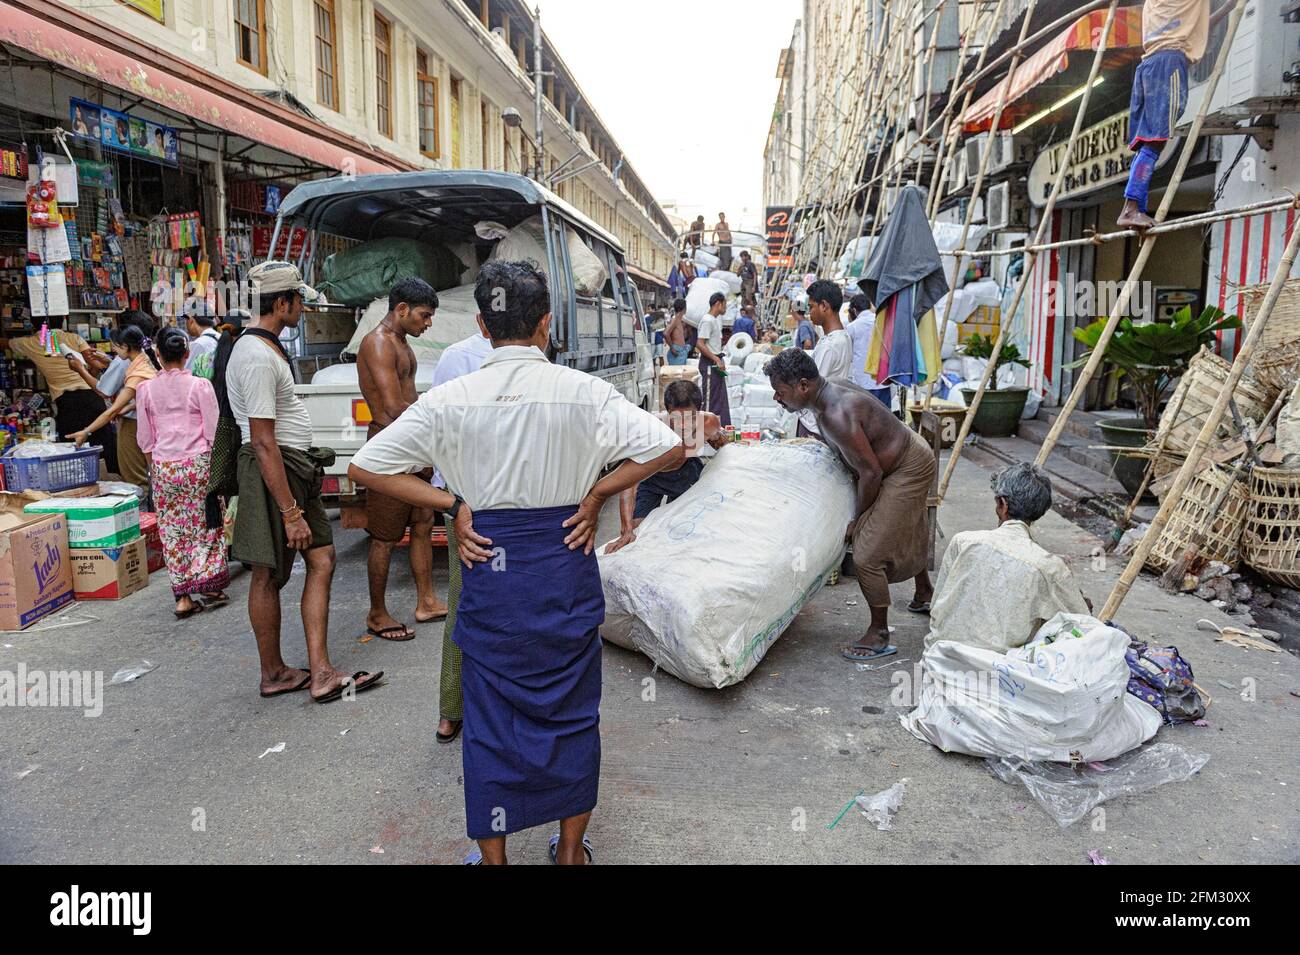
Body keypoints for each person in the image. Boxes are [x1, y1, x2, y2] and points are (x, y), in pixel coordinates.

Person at [348, 259, 683, 865]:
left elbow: (367, 467)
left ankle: (495, 859)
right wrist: (601, 492)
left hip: (487, 567)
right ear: (547, 326)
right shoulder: (585, 392)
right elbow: (669, 446)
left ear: (480, 322)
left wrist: (453, 503)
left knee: (490, 720)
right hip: (563, 561)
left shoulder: (451, 398)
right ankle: (569, 851)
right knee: (573, 713)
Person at [227, 261, 381, 702]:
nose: (303, 308)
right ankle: (305, 672)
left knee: (307, 562)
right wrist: (290, 512)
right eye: (298, 300)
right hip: (277, 469)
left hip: (287, 466)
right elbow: (261, 440)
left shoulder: (260, 347)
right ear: (282, 303)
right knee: (278, 569)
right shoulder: (256, 355)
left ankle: (302, 670)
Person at [766, 349, 934, 661]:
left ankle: (879, 632)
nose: (778, 399)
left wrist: (858, 520)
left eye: (781, 392)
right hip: (901, 453)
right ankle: (924, 592)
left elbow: (871, 473)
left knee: (867, 552)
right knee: (905, 524)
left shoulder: (835, 414)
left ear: (803, 386)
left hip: (909, 466)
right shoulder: (827, 393)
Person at [356, 278, 448, 643]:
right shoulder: (378, 343)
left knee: (423, 519)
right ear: (401, 309)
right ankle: (377, 613)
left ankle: (426, 600)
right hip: (390, 445)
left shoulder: (401, 342)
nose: (428, 323)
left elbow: (407, 398)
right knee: (384, 535)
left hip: (408, 443)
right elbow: (393, 407)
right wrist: (433, 436)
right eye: (424, 316)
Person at [925, 463, 1091, 653]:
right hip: (1004, 673)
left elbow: (937, 606)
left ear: (1002, 504)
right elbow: (1084, 628)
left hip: (940, 659)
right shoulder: (1051, 567)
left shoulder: (962, 542)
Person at [426, 321, 494, 746]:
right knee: (469, 597)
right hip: (474, 498)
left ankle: (467, 711)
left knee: (471, 599)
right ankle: (456, 709)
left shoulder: (461, 357)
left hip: (484, 496)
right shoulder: (460, 357)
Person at [134, 326, 230, 619]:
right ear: (187, 354)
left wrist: (156, 469)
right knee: (206, 524)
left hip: (164, 466)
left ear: (158, 355)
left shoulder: (145, 389)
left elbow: (145, 438)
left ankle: (183, 597)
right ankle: (210, 586)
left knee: (172, 530)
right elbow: (213, 433)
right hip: (198, 463)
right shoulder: (200, 386)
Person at [1118, 1, 1231, 230]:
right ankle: (1130, 209)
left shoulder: (1158, 4)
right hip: (1168, 63)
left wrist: (1227, 8)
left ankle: (1135, 209)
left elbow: (1196, 28)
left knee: (1147, 144)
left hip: (1150, 64)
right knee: (1154, 143)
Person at [604, 379, 727, 553]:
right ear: (667, 410)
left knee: (686, 526)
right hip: (652, 475)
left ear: (699, 410)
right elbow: (629, 483)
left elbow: (722, 445)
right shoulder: (650, 427)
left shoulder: (709, 423)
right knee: (640, 531)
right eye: (676, 417)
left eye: (690, 417)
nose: (683, 424)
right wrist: (627, 530)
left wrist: (719, 440)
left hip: (686, 473)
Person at [70, 324, 158, 490]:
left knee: (135, 478)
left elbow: (112, 411)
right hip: (149, 423)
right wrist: (131, 406)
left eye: (115, 346)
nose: (113, 350)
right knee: (150, 474)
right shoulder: (147, 359)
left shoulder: (137, 373)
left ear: (125, 346)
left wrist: (86, 431)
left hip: (140, 425)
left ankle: (143, 513)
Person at [11, 317, 111, 444]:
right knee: (105, 446)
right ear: (63, 320)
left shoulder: (30, 342)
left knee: (72, 451)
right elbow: (96, 365)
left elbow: (6, 343)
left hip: (67, 403)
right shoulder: (74, 338)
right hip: (92, 398)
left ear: (32, 323)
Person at [797, 280, 854, 437]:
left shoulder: (831, 345)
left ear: (824, 306)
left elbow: (813, 386)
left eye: (811, 307)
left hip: (816, 425)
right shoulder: (842, 337)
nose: (809, 313)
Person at [846, 292, 891, 407]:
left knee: (865, 419)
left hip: (862, 382)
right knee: (885, 419)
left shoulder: (852, 327)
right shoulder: (882, 321)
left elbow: (848, 354)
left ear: (854, 310)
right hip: (883, 380)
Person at [696, 291, 731, 426]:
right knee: (710, 399)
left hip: (715, 362)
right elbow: (700, 344)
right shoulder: (708, 320)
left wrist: (719, 359)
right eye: (724, 304)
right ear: (718, 304)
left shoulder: (714, 320)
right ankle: (704, 431)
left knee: (718, 398)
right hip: (710, 363)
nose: (726, 308)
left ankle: (715, 430)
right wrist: (716, 359)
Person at [184, 299, 221, 373]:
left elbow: (187, 373)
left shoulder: (199, 344)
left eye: (186, 320)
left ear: (191, 321)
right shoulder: (219, 336)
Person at [665, 298, 690, 365]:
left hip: (681, 350)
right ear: (684, 308)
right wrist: (672, 348)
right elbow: (666, 333)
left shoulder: (679, 319)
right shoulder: (675, 319)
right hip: (677, 350)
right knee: (677, 374)